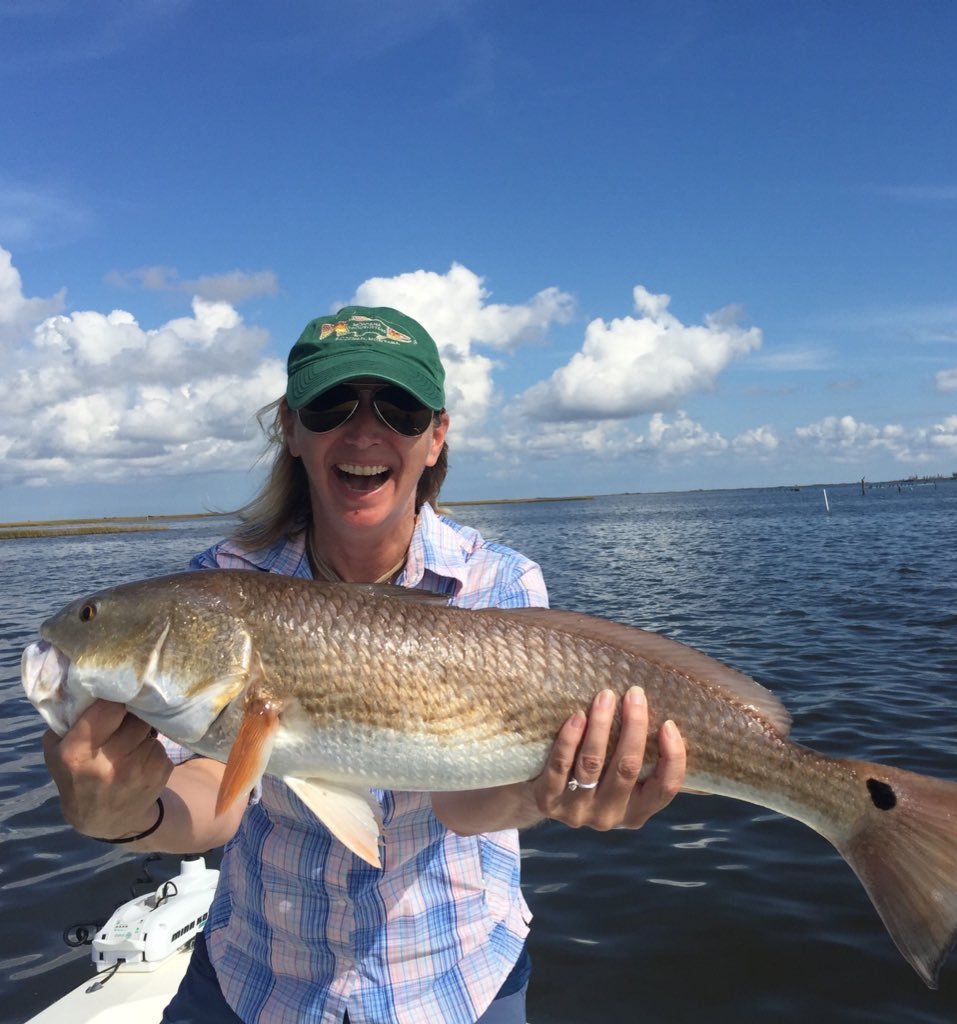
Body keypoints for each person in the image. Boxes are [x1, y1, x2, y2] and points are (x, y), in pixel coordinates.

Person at [42, 305, 688, 1024]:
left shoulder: (499, 584)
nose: (363, 430)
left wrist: (546, 792)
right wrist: (123, 814)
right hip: (256, 979)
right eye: (330, 405)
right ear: (291, 428)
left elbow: (462, 805)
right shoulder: (221, 581)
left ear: (436, 436)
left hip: (455, 976)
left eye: (401, 409)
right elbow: (209, 794)